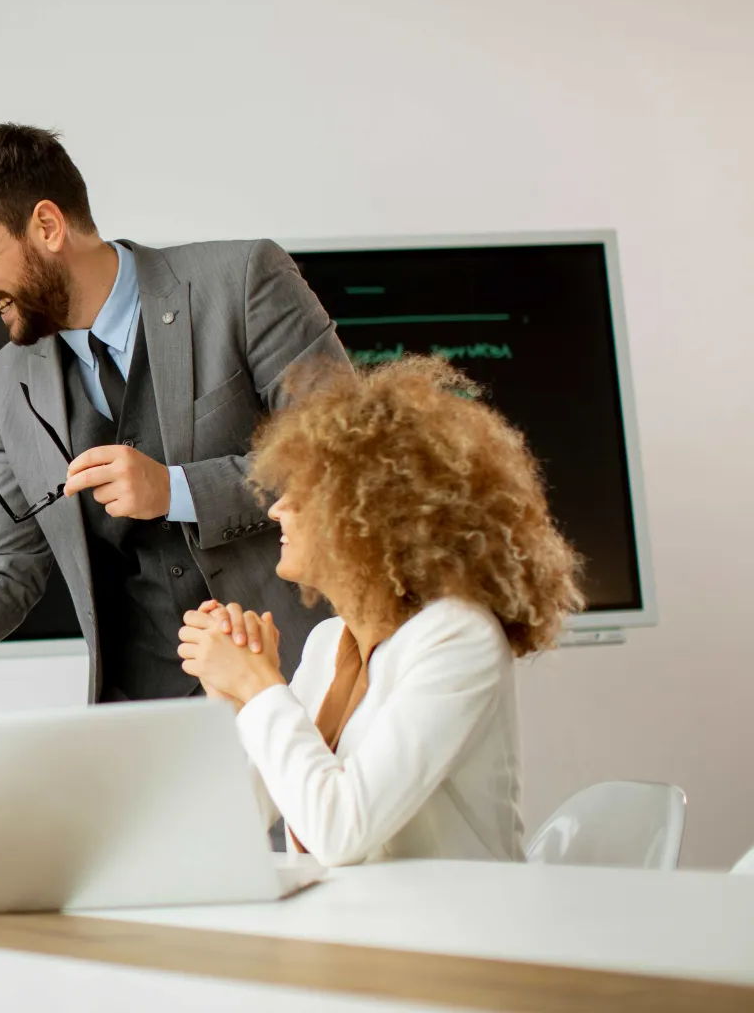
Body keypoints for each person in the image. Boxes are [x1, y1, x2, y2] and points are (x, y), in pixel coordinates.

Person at [0, 123, 349, 710]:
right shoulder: (6, 385)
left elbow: (344, 461)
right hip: (141, 714)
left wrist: (175, 489)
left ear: (48, 226)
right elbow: (5, 568)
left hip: (303, 680)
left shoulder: (244, 281)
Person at [177, 356, 582, 866]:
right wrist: (234, 698)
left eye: (298, 494)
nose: (275, 509)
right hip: (350, 926)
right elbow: (232, 823)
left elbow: (340, 833)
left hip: (458, 935)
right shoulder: (330, 642)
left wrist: (261, 687)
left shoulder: (458, 638)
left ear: (365, 514)